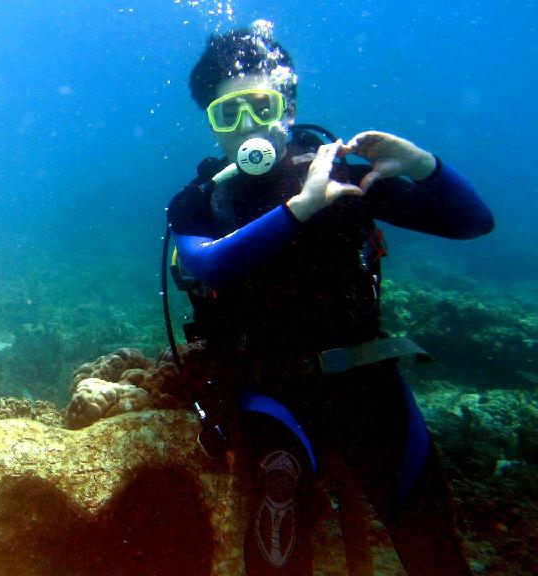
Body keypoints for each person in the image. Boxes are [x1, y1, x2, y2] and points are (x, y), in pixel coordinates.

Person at [167, 21, 493, 576]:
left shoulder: (345, 179)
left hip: (371, 383)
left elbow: (473, 222)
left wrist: (423, 166)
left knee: (436, 552)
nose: (248, 126)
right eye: (228, 114)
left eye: (263, 106)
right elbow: (208, 263)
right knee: (278, 559)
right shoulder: (200, 201)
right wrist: (301, 209)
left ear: (288, 107)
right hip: (271, 390)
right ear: (212, 125)